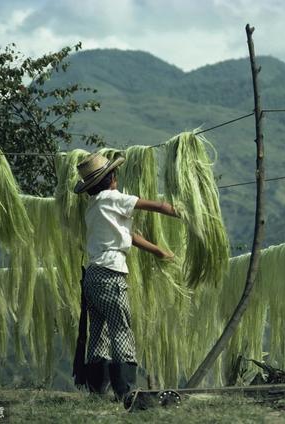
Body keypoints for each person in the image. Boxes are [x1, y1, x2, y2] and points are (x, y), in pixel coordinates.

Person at [73, 152, 178, 401]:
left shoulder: (94, 207)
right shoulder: (114, 198)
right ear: (111, 179)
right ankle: (127, 390)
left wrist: (158, 251)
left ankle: (98, 388)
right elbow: (156, 206)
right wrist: (183, 212)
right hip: (111, 275)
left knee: (99, 330)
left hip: (92, 277)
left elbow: (126, 236)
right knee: (121, 329)